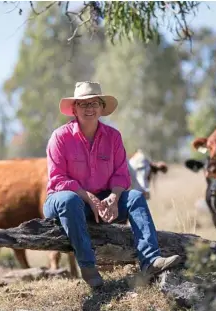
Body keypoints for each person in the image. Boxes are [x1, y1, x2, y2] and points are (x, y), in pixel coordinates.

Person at [43, 81, 182, 288]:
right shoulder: (60, 137)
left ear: (101, 108)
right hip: (65, 200)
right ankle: (89, 269)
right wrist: (87, 197)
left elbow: (122, 174)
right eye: (83, 104)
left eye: (94, 103)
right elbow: (58, 179)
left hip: (103, 200)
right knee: (69, 200)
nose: (89, 108)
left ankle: (150, 260)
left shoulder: (113, 137)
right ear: (74, 109)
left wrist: (114, 197)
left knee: (135, 197)